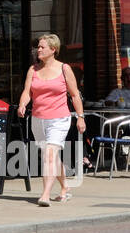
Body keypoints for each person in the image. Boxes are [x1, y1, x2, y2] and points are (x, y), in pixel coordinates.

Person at [17, 33, 84, 206]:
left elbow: (75, 95)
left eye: (42, 47)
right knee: (51, 157)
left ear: (53, 49)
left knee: (49, 155)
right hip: (38, 119)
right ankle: (65, 187)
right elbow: (27, 92)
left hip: (59, 119)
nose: (38, 49)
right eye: (38, 47)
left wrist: (80, 117)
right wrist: (22, 104)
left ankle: (45, 195)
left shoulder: (64, 69)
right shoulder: (33, 70)